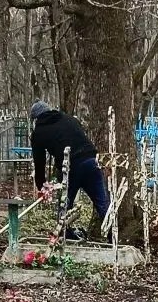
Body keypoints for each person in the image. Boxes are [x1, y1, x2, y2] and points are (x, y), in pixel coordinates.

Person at [28, 100, 110, 239]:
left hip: (71, 168)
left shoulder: (39, 133)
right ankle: (113, 236)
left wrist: (41, 185)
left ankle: (65, 235)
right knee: (102, 203)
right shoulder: (69, 119)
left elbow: (39, 162)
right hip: (91, 161)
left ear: (36, 119)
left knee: (64, 204)